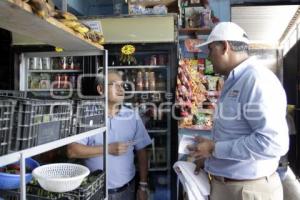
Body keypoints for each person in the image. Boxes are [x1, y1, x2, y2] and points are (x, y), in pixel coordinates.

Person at [187, 22, 289, 200]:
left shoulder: (256, 80)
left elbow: (273, 143)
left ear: (225, 47)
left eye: (211, 50)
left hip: (247, 191)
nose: (209, 57)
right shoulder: (236, 80)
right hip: (231, 187)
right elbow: (239, 133)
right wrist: (210, 156)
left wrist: (214, 148)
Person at [67, 71, 152, 200]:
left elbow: (142, 151)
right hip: (94, 192)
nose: (121, 89)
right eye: (115, 84)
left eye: (122, 85)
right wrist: (108, 149)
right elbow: (72, 150)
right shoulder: (87, 116)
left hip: (127, 190)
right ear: (100, 89)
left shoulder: (132, 116)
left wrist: (143, 186)